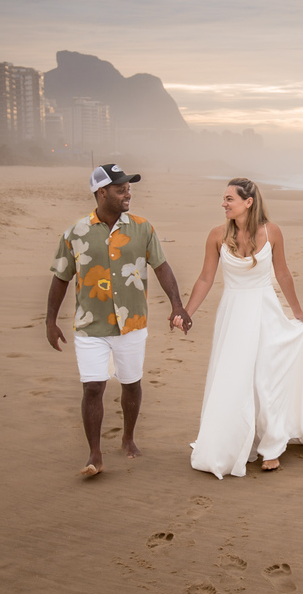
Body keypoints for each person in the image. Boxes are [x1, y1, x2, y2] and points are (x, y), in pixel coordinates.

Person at [180, 177, 303, 479]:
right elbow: (205, 278)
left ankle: (272, 448)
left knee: (266, 378)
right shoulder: (216, 235)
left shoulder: (272, 232)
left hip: (265, 312)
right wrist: (187, 312)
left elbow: (282, 273)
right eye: (224, 199)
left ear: (248, 202)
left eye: (230, 199)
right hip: (233, 314)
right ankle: (232, 437)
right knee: (233, 378)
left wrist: (297, 312)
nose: (224, 204)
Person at [45, 164, 192, 477]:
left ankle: (128, 437)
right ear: (102, 192)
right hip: (90, 325)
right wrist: (50, 321)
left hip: (132, 324)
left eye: (128, 187)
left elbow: (162, 267)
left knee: (131, 383)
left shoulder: (142, 228)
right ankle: (95, 454)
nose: (128, 193)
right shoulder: (76, 232)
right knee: (93, 387)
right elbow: (61, 278)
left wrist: (177, 305)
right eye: (121, 188)